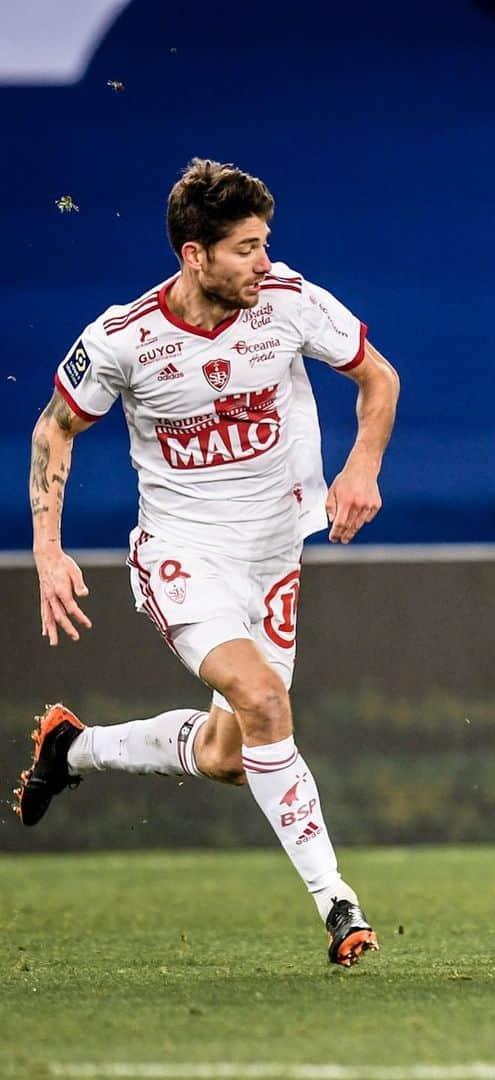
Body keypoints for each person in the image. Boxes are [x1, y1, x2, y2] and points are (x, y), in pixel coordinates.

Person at [17, 158, 400, 967]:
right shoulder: (124, 340)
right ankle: (340, 907)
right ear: (195, 255)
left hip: (274, 557)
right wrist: (47, 551)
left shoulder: (289, 303)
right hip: (181, 555)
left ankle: (72, 749)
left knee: (235, 754)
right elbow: (54, 428)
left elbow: (378, 376)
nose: (265, 263)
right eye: (246, 249)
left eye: (266, 244)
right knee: (263, 701)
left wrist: (362, 465)